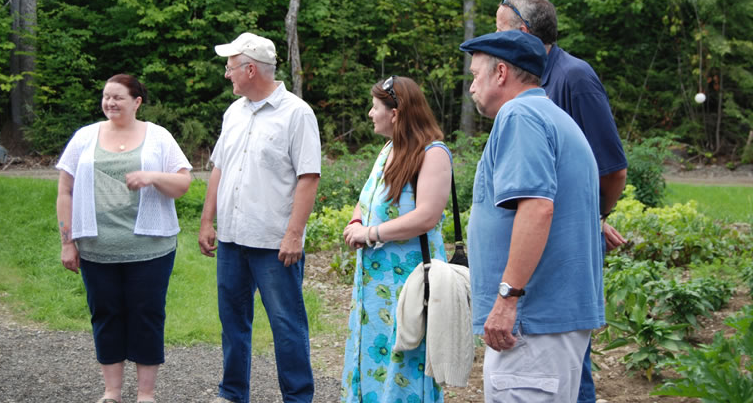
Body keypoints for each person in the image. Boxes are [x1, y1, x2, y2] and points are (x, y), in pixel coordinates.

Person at [497, 0, 628, 402]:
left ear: (522, 31)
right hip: (540, 240)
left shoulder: (574, 77)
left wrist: (593, 219)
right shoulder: (525, 83)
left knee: (570, 363)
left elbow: (612, 168)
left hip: (563, 247)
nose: (492, 37)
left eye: (497, 28)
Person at [461, 30, 605, 403]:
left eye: (476, 75)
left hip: (532, 321)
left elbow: (538, 208)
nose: (472, 87)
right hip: (546, 321)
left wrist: (508, 298)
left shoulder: (520, 115)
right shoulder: (552, 116)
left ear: (502, 73)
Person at [198, 32, 321, 403]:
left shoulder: (297, 113)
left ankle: (298, 399)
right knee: (233, 323)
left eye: (231, 67)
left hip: (273, 243)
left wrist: (294, 235)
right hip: (233, 240)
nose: (226, 74)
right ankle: (232, 394)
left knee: (287, 326)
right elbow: (219, 168)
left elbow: (308, 177)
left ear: (250, 69)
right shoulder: (234, 112)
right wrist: (207, 220)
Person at [56, 73, 192, 403]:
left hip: (151, 250)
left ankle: (146, 393)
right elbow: (65, 189)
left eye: (118, 97)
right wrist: (67, 241)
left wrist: (152, 176)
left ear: (137, 102)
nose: (110, 103)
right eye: (106, 97)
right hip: (96, 250)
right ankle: (112, 392)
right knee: (105, 315)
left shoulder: (158, 137)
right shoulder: (84, 138)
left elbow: (183, 183)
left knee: (147, 315)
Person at [340, 75, 452, 403]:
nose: (370, 114)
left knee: (406, 361)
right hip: (375, 287)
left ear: (396, 112)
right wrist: (356, 219)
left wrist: (371, 233)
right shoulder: (389, 149)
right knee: (374, 359)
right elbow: (369, 196)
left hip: (411, 285)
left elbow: (426, 216)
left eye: (375, 107)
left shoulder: (433, 154)